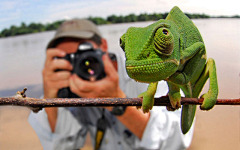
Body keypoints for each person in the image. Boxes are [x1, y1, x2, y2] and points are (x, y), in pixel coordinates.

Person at [28, 19, 194, 150]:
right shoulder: (68, 86)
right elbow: (63, 147)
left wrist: (116, 99)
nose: (81, 65)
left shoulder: (144, 66)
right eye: (68, 59)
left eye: (85, 53)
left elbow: (177, 141)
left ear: (104, 46)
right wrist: (50, 101)